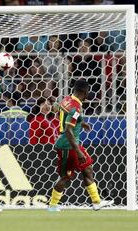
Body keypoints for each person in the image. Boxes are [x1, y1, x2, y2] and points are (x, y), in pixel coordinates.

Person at [48, 79, 113, 212]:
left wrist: (82, 123)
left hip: (68, 143)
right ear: (86, 92)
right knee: (66, 177)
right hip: (69, 145)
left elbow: (60, 110)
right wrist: (78, 151)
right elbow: (68, 129)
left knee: (87, 168)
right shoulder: (76, 107)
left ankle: (96, 202)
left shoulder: (67, 99)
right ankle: (52, 206)